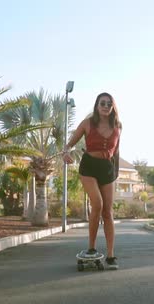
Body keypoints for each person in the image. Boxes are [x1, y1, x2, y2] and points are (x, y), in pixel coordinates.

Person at [63, 92, 122, 270]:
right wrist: (66, 153)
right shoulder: (88, 123)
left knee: (108, 212)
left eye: (108, 104)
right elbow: (69, 144)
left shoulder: (118, 126)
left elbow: (117, 151)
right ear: (97, 105)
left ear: (112, 107)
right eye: (102, 103)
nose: (105, 106)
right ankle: (91, 247)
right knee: (97, 204)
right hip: (89, 167)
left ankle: (111, 255)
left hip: (107, 169)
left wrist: (115, 173)